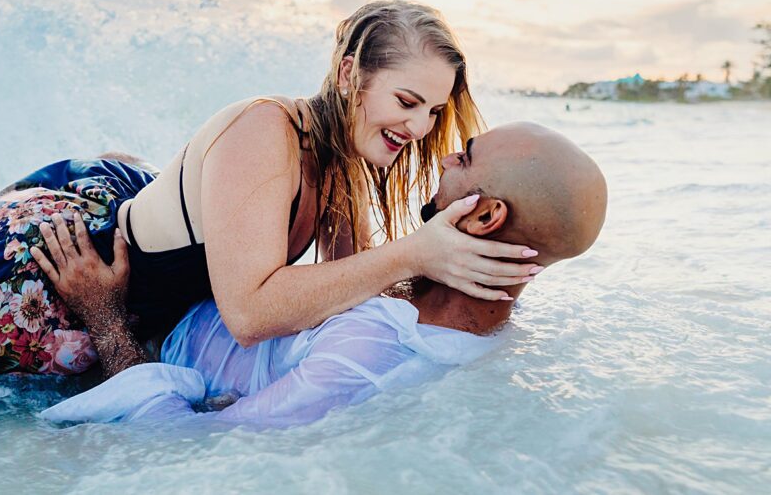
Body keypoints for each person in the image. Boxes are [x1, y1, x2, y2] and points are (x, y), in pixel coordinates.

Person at [0, 1, 539, 408]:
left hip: (121, 226)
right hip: (45, 263)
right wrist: (412, 254)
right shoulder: (271, 131)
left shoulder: (340, 164)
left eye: (435, 113)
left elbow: (343, 297)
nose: (420, 127)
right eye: (407, 99)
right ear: (348, 76)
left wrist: (469, 278)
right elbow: (255, 312)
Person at [38, 122, 607, 427]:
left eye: (466, 157)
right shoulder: (466, 306)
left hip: (140, 332)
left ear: (486, 216)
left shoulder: (368, 360)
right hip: (193, 284)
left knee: (39, 208)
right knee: (116, 161)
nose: (445, 159)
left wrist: (104, 315)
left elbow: (177, 446)